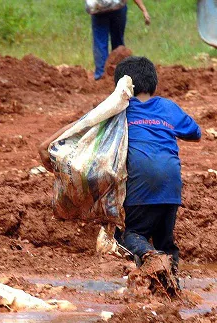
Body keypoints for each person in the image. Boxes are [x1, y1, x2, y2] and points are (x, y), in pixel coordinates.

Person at [39, 56, 201, 288]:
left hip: (139, 187)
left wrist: (49, 143)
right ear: (153, 83)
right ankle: (171, 289)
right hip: (171, 189)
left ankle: (152, 259)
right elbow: (195, 133)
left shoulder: (118, 111)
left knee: (129, 236)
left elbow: (84, 125)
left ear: (121, 87)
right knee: (165, 242)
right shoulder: (168, 107)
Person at [88, 0, 151, 80]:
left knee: (100, 43)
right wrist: (144, 10)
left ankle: (101, 76)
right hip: (118, 7)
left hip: (99, 8)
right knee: (118, 43)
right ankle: (120, 75)